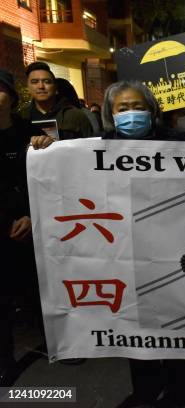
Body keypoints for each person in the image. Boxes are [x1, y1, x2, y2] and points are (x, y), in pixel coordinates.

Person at [99, 80, 185, 407]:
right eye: (123, 109)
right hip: (127, 252)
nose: (131, 114)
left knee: (177, 321)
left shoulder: (178, 142)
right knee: (139, 323)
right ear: (110, 114)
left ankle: (180, 390)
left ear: (151, 111)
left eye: (138, 107)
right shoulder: (97, 148)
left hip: (173, 248)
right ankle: (146, 391)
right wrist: (45, 147)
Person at [0, 69, 52, 386]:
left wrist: (34, 215)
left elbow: (46, 179)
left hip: (33, 225)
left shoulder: (30, 132)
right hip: (2, 228)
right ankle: (5, 359)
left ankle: (59, 342)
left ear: (11, 96)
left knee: (40, 289)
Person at [20, 62, 92, 139]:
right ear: (28, 87)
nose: (41, 86)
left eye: (47, 82)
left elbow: (89, 146)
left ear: (56, 88)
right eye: (35, 82)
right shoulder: (22, 117)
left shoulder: (75, 115)